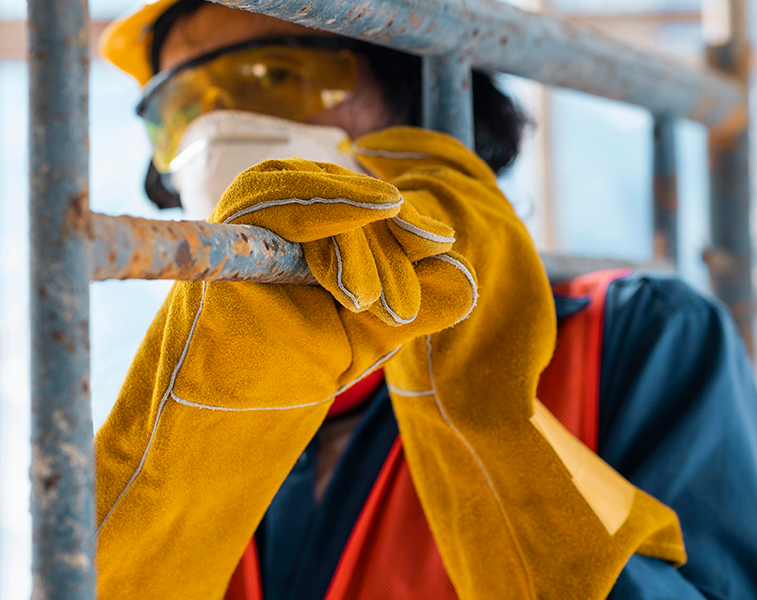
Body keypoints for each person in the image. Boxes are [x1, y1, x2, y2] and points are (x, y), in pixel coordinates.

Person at [91, 2, 757, 599]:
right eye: (179, 112)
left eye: (274, 78)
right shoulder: (188, 395)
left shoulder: (633, 337)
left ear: (414, 93)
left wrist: (486, 418)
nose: (217, 134)